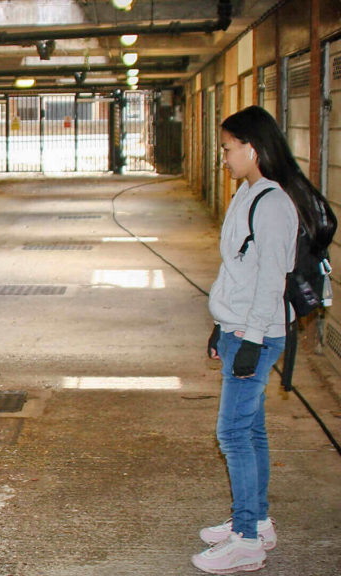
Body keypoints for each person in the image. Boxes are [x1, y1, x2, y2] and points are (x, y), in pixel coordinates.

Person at [195, 105, 324, 573]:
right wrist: (220, 321)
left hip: (258, 332)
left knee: (231, 433)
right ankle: (256, 521)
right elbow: (239, 269)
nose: (224, 158)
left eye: (228, 149)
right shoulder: (247, 193)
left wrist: (249, 339)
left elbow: (272, 280)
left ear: (251, 148)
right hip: (239, 326)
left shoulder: (273, 204)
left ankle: (247, 540)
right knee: (251, 430)